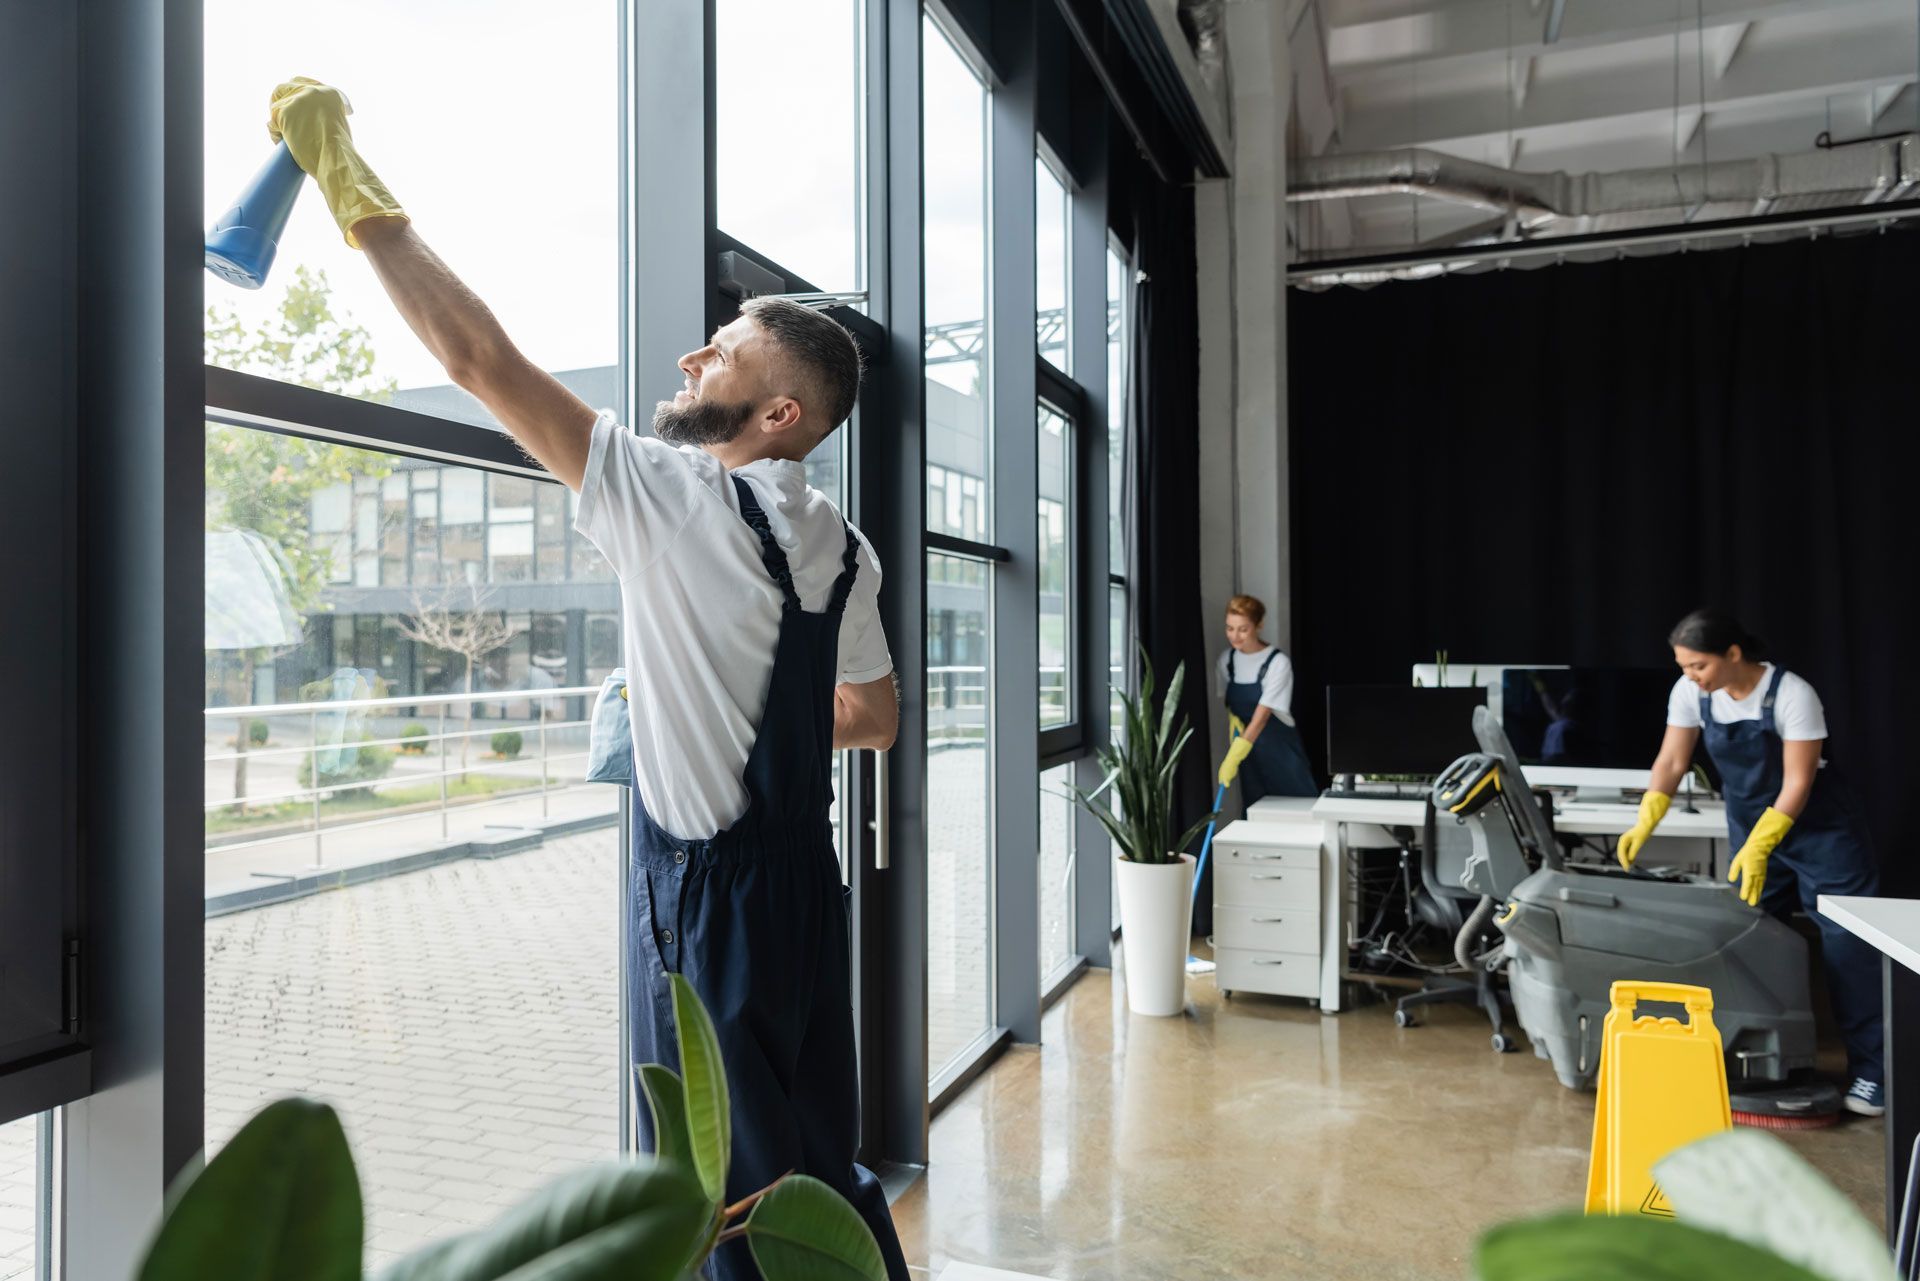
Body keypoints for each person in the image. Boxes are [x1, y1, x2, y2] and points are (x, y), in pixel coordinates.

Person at [264, 79, 911, 1277]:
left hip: (708, 907)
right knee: (818, 1165)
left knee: (719, 1197)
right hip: (805, 896)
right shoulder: (846, 544)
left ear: (775, 411)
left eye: (723, 349)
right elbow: (870, 717)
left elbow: (474, 357)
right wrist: (741, 705)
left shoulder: (674, 498)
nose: (691, 352)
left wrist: (347, 182)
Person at [1617, 608, 1883, 1117]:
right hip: (1752, 828)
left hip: (1822, 832)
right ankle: (1769, 1062)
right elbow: (1673, 760)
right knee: (1750, 941)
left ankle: (1875, 1074)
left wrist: (1765, 844)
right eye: (1683, 666)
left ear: (1733, 654)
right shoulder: (1691, 693)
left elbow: (1798, 782)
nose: (1689, 676)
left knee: (1850, 948)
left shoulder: (1791, 694)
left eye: (1698, 665)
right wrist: (1647, 815)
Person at [1214, 595, 1317, 802]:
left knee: (1298, 810)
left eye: (1243, 629)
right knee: (1255, 812)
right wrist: (1234, 720)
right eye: (1230, 628)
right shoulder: (1227, 661)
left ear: (1258, 625)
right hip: (1249, 754)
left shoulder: (1277, 663)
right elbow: (1229, 701)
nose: (1235, 636)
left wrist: (1234, 756)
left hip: (1279, 751)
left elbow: (1261, 717)